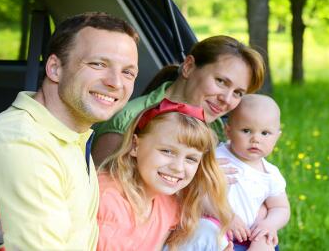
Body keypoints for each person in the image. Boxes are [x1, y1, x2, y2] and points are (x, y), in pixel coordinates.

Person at [0, 12, 139, 250]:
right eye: (98, 64)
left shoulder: (74, 136)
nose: (115, 82)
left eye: (127, 72)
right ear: (54, 68)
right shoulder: (22, 146)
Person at [92, 35, 266, 166]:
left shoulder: (217, 127)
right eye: (221, 81)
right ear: (189, 67)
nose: (226, 100)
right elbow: (100, 198)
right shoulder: (128, 120)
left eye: (238, 93)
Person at [97, 98, 232, 250]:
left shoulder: (168, 204)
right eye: (167, 151)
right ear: (135, 146)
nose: (178, 167)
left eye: (191, 158)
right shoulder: (106, 198)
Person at [217, 94, 290, 251]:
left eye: (265, 133)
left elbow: (281, 208)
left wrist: (269, 224)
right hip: (219, 231)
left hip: (250, 236)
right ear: (228, 131)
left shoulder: (270, 174)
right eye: (246, 130)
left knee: (266, 241)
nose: (255, 139)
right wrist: (226, 216)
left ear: (277, 137)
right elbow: (200, 193)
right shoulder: (216, 157)